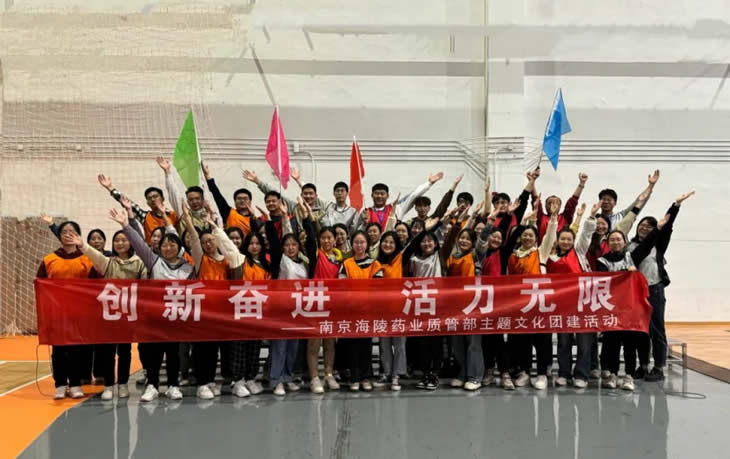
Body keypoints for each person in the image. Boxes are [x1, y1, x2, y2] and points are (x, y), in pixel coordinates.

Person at [115, 208, 193, 402]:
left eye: (172, 244)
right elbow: (139, 244)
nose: (168, 247)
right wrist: (125, 225)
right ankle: (153, 385)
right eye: (164, 244)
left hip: (175, 317)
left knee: (173, 353)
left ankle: (173, 385)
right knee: (153, 353)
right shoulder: (154, 261)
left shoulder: (188, 268)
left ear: (179, 247)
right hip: (153, 318)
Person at [72, 226, 147, 400]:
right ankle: (108, 385)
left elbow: (145, 287)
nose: (120, 243)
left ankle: (123, 384)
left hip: (128, 315)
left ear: (131, 243)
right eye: (117, 240)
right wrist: (82, 244)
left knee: (125, 352)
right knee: (108, 352)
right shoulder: (108, 262)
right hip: (109, 315)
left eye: (124, 240)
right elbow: (94, 254)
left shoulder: (139, 263)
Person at [629, 191, 694, 382]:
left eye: (649, 226)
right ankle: (643, 365)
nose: (644, 228)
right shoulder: (630, 246)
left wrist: (676, 205)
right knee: (640, 331)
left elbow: (667, 226)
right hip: (636, 292)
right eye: (641, 225)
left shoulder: (658, 245)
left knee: (657, 328)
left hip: (654, 289)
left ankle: (658, 367)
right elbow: (636, 257)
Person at [597, 219, 667, 391]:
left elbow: (647, 245)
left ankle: (628, 375)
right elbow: (604, 280)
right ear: (607, 243)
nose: (616, 242)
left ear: (624, 242)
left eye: (619, 239)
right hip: (612, 307)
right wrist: (625, 273)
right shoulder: (602, 261)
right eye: (612, 240)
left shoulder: (632, 257)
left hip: (630, 307)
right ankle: (613, 374)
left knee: (630, 342)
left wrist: (658, 228)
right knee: (612, 342)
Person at [211, 211, 272, 397]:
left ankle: (250, 378)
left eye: (257, 243)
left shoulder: (266, 266)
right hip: (239, 312)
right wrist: (217, 230)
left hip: (257, 313)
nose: (254, 246)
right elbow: (228, 246)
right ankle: (237, 381)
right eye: (251, 243)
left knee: (254, 348)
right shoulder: (240, 260)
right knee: (238, 348)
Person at [37, 221, 96, 400]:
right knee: (59, 350)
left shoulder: (87, 259)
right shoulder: (49, 260)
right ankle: (60, 384)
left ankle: (76, 383)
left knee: (77, 350)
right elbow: (40, 284)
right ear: (59, 235)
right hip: (57, 312)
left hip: (79, 312)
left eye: (72, 231)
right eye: (64, 231)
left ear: (78, 235)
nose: (68, 234)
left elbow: (95, 286)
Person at [547, 202, 600, 388]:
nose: (566, 242)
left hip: (583, 304)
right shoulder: (551, 257)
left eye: (569, 239)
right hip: (562, 306)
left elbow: (586, 234)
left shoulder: (579, 252)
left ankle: (581, 375)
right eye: (563, 239)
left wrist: (591, 217)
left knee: (584, 343)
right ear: (558, 240)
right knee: (563, 342)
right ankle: (564, 373)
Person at [265, 198, 314, 395]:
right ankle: (276, 379)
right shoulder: (281, 260)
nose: (291, 248)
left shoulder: (304, 263)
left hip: (298, 309)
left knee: (293, 345)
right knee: (280, 345)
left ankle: (287, 376)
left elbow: (311, 242)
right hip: (281, 308)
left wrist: (307, 218)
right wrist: (283, 218)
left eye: (294, 245)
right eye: (287, 245)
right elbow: (280, 237)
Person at [180, 202, 229, 400]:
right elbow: (193, 237)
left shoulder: (226, 259)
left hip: (221, 313)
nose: (208, 244)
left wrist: (213, 216)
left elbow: (222, 234)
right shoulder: (201, 260)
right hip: (202, 312)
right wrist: (187, 218)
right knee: (202, 349)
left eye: (211, 240)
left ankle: (210, 380)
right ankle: (202, 382)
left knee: (214, 349)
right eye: (204, 242)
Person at [506, 209, 558, 390]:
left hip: (540, 304)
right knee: (523, 341)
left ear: (536, 238)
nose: (527, 238)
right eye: (525, 235)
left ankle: (542, 373)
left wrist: (553, 219)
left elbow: (550, 237)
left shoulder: (541, 253)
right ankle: (525, 372)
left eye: (531, 235)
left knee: (542, 340)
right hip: (520, 305)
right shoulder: (513, 256)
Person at [299, 200, 343, 393]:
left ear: (335, 240)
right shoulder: (317, 255)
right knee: (314, 342)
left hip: (333, 305)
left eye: (329, 238)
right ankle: (314, 378)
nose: (326, 241)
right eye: (323, 238)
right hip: (315, 303)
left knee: (330, 342)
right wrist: (307, 217)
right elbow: (310, 238)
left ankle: (329, 374)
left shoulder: (341, 259)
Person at [441, 208, 485, 391]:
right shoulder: (451, 257)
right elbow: (447, 244)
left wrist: (486, 220)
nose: (464, 241)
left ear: (473, 242)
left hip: (473, 305)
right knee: (457, 342)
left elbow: (484, 239)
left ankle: (475, 376)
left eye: (468, 239)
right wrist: (457, 223)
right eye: (462, 238)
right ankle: (462, 372)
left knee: (473, 343)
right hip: (455, 306)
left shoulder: (476, 255)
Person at [401, 217, 444, 390]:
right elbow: (407, 251)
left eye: (430, 240)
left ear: (436, 243)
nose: (426, 243)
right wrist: (424, 231)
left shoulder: (440, 256)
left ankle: (435, 374)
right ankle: (425, 373)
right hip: (420, 306)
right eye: (423, 241)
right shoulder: (414, 260)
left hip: (438, 306)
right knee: (422, 342)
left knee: (436, 342)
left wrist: (439, 224)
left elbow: (450, 237)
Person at [339, 231, 383, 391]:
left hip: (368, 311)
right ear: (352, 244)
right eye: (356, 242)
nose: (359, 245)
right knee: (352, 345)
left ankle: (365, 377)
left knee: (366, 345)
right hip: (351, 311)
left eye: (362, 242)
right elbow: (342, 286)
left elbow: (378, 287)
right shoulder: (346, 264)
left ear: (367, 244)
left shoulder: (375, 265)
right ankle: (355, 378)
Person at [98, 171, 179, 243]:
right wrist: (110, 188)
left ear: (163, 199)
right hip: (152, 252)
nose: (153, 199)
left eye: (155, 196)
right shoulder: (145, 216)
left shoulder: (174, 215)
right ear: (147, 203)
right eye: (149, 198)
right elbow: (127, 202)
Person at [374, 231, 407, 391]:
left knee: (399, 344)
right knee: (384, 344)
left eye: (391, 242)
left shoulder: (401, 258)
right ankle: (387, 373)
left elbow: (413, 245)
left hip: (399, 309)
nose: (387, 245)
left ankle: (396, 375)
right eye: (385, 241)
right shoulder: (375, 263)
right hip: (381, 310)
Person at [356, 172, 444, 231]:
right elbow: (357, 232)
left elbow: (412, 196)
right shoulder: (366, 212)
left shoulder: (396, 209)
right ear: (372, 195)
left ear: (387, 196)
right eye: (376, 193)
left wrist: (428, 183)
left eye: (382, 194)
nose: (379, 196)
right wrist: (364, 223)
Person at [202, 162, 255, 236]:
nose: (242, 201)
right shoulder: (229, 213)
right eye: (239, 198)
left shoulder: (254, 219)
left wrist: (253, 217)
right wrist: (208, 176)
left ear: (250, 201)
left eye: (245, 199)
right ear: (234, 201)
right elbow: (217, 196)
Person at [533, 172, 587, 241]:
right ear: (545, 206)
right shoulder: (541, 217)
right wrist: (532, 181)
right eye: (549, 203)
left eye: (556, 203)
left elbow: (573, 201)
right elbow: (536, 200)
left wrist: (581, 184)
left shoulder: (565, 217)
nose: (553, 205)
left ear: (560, 206)